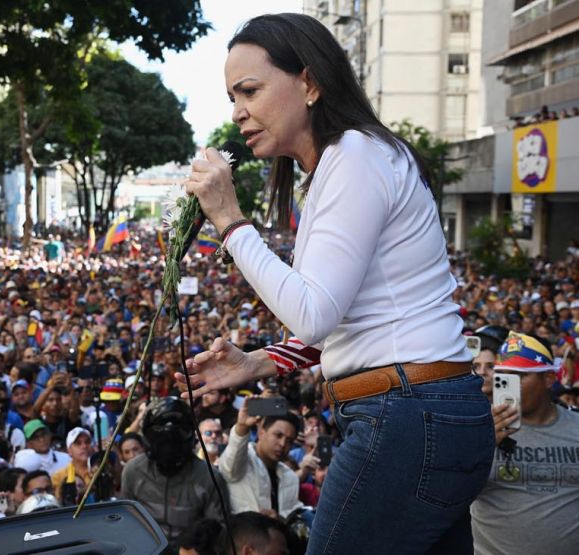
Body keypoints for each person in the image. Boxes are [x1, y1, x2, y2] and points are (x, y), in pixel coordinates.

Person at [182, 13, 493, 554]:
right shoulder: (346, 161)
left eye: (249, 91)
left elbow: (316, 312)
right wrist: (261, 362)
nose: (237, 113)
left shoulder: (355, 155)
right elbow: (352, 319)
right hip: (430, 413)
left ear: (309, 82)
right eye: (232, 97)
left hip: (407, 416)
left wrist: (229, 220)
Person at [470, 332, 579, 555]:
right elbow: (447, 495)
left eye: (518, 376)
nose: (509, 386)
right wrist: (482, 445)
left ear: (548, 379)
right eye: (503, 376)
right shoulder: (475, 426)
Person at [121, 397, 226, 548]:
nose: (168, 450)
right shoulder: (133, 471)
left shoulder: (209, 477)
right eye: (163, 443)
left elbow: (217, 533)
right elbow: (126, 522)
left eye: (174, 443)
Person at [218, 405, 304, 519]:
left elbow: (291, 517)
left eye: (289, 441)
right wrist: (242, 427)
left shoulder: (290, 477)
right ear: (261, 432)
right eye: (278, 435)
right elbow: (231, 462)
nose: (283, 444)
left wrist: (279, 520)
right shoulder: (241, 462)